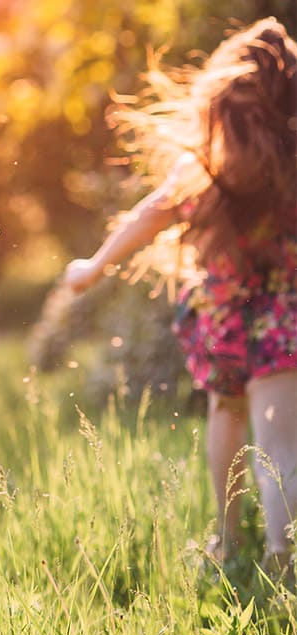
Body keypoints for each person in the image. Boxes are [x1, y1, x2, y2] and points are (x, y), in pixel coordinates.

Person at [63, 18, 296, 571]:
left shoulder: (204, 169)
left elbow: (147, 216)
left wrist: (93, 267)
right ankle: (283, 556)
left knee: (227, 415)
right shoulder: (289, 165)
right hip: (283, 319)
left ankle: (227, 539)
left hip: (225, 320)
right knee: (279, 438)